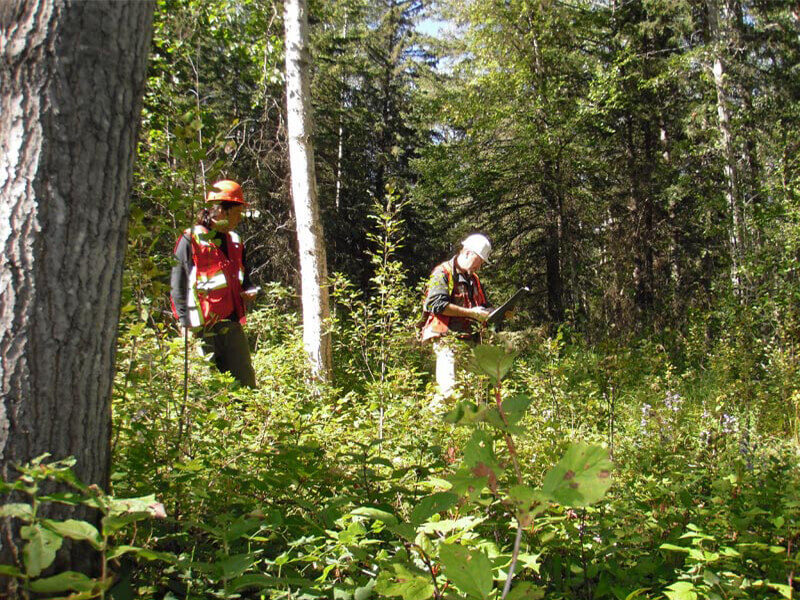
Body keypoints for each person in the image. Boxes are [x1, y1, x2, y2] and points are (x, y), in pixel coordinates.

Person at [170, 179, 258, 388]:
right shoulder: (191, 240)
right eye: (236, 212)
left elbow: (244, 277)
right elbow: (178, 284)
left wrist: (249, 289)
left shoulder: (236, 242)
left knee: (245, 384)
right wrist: (184, 324)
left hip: (231, 326)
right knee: (207, 387)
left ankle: (247, 420)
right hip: (201, 328)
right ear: (220, 211)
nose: (239, 218)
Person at [420, 234, 493, 402]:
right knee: (448, 391)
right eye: (479, 260)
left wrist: (499, 312)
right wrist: (471, 313)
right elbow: (436, 305)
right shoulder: (442, 272)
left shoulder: (474, 279)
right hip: (447, 339)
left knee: (472, 391)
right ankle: (432, 424)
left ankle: (463, 426)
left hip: (470, 340)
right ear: (467, 253)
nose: (480, 266)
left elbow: (483, 305)